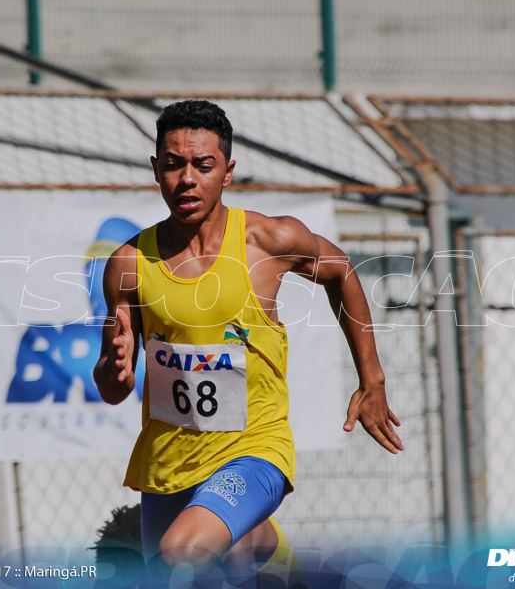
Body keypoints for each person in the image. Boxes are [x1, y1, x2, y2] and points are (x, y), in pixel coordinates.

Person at [92, 100, 402, 584]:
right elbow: (112, 387)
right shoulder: (128, 264)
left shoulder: (266, 240)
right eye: (173, 165)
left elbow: (341, 272)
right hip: (167, 464)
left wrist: (372, 378)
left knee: (182, 554)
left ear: (228, 171)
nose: (187, 179)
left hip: (254, 449)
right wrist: (115, 370)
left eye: (203, 165)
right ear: (156, 169)